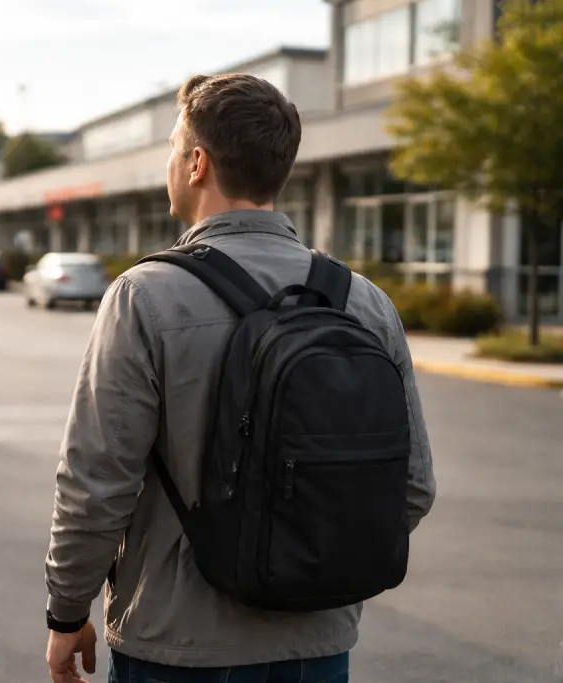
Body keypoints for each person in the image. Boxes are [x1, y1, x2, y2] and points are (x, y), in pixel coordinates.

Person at [43, 73, 436, 683]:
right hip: (318, 645)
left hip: (177, 646)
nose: (171, 163)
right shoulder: (364, 302)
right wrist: (303, 560)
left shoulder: (145, 297)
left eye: (175, 149)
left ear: (197, 163)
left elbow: (96, 484)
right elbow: (410, 487)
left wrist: (67, 612)